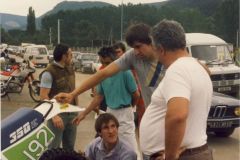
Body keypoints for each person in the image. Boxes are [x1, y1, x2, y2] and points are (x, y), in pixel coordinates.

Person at [139, 19, 213, 160]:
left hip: (182, 155)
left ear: (161, 49)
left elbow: (177, 116)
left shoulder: (177, 70)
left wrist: (170, 156)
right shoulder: (198, 68)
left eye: (155, 50)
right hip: (194, 151)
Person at [55, 23, 163, 109]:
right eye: (133, 48)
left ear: (151, 41)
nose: (136, 52)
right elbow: (103, 73)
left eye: (139, 46)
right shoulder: (132, 56)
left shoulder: (169, 57)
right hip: (151, 113)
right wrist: (73, 94)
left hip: (172, 113)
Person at [72, 46, 140, 155]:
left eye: (107, 63)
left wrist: (129, 107)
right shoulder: (102, 75)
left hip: (125, 113)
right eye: (102, 63)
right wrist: (84, 114)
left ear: (115, 61)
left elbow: (136, 95)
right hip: (110, 112)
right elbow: (98, 97)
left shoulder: (126, 73)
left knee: (130, 148)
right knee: (108, 147)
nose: (104, 66)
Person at [40, 43, 78, 150]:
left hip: (72, 114)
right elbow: (43, 96)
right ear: (64, 56)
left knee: (70, 148)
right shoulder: (49, 72)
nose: (72, 57)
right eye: (70, 55)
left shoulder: (70, 69)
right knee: (53, 149)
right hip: (58, 117)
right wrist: (54, 116)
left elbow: (73, 90)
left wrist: (77, 112)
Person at [113, 41, 146, 126]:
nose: (117, 55)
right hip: (120, 104)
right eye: (114, 52)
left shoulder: (132, 66)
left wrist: (132, 105)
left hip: (138, 99)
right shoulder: (112, 68)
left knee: (142, 122)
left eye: (118, 52)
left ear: (124, 52)